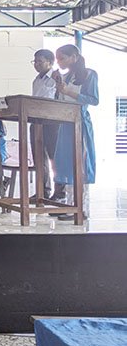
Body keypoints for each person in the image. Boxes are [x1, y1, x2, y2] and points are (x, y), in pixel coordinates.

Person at [52, 44, 99, 221]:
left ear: (74, 57)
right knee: (66, 165)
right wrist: (59, 87)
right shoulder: (66, 76)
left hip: (79, 123)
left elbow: (93, 99)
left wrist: (68, 91)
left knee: (80, 165)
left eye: (62, 58)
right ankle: (71, 205)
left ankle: (82, 208)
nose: (59, 62)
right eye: (58, 59)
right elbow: (60, 99)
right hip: (64, 124)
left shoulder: (89, 74)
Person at [30, 49, 61, 200]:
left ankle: (59, 192)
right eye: (34, 62)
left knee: (54, 157)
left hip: (52, 122)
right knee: (39, 159)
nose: (36, 65)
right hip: (35, 122)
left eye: (40, 62)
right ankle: (43, 191)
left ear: (51, 62)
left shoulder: (57, 78)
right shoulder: (36, 80)